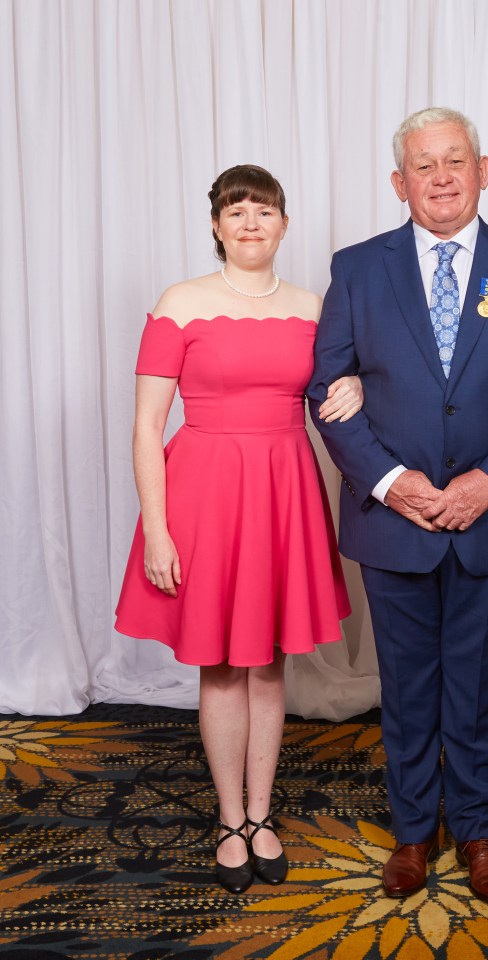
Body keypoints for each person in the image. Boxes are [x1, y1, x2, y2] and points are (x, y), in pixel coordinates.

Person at [308, 107, 488, 906]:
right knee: (408, 682)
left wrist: (486, 481)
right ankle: (412, 832)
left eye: (454, 160)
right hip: (393, 521)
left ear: (482, 170)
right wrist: (393, 483)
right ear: (400, 183)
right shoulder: (358, 268)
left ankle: (480, 829)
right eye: (423, 165)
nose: (441, 177)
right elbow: (326, 386)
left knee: (477, 679)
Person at [115, 164, 363, 895]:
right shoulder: (180, 303)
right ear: (216, 225)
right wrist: (157, 530)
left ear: (284, 225)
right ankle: (229, 818)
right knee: (221, 663)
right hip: (205, 496)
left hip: (283, 490)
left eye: (264, 210)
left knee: (270, 663)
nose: (250, 222)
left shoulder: (313, 307)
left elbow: (338, 384)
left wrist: (354, 382)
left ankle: (262, 814)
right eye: (236, 210)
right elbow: (145, 427)